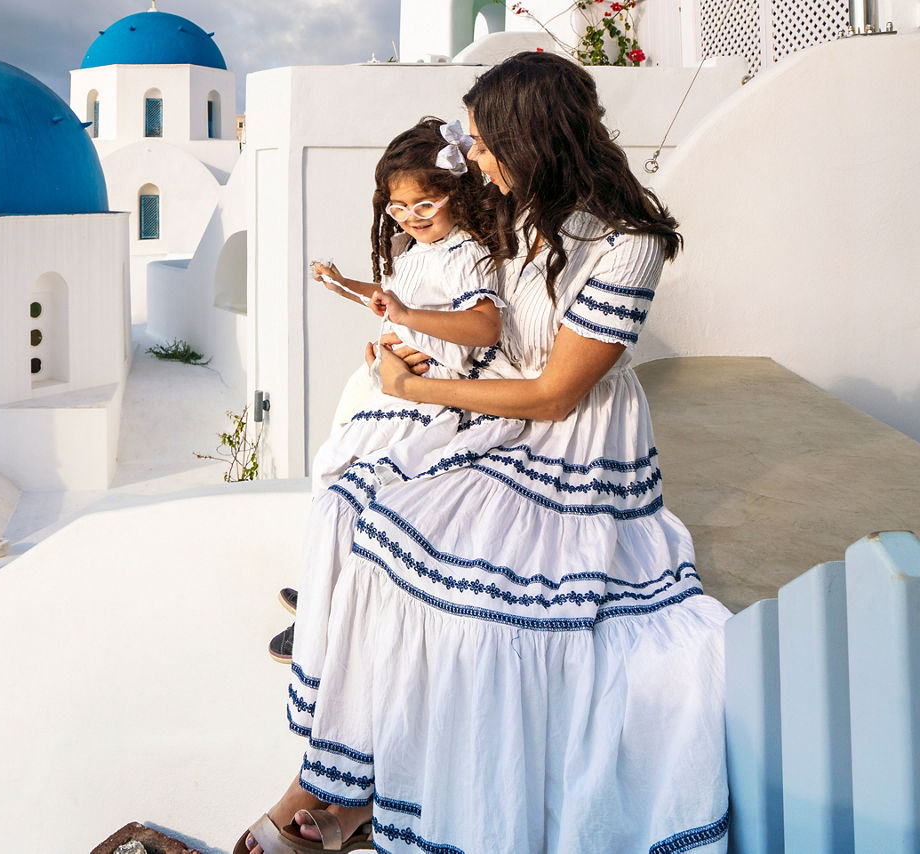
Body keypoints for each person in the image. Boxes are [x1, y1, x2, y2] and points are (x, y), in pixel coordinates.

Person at [237, 51, 730, 854]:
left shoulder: (626, 242)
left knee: (441, 580)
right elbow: (484, 330)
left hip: (574, 449)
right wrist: (418, 358)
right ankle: (338, 778)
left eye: (482, 142)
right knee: (361, 517)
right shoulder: (517, 215)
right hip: (502, 415)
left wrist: (416, 392)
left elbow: (556, 393)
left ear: (530, 137)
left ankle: (339, 795)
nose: (474, 160)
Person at [308, 117, 508, 494]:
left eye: (424, 206)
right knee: (332, 465)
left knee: (350, 475)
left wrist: (407, 316)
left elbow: (485, 326)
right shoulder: (412, 249)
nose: (410, 219)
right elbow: (393, 301)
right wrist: (345, 284)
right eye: (398, 209)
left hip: (434, 390)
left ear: (458, 195)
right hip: (399, 379)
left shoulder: (463, 253)